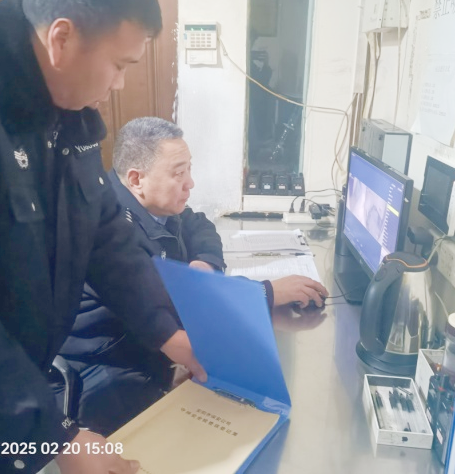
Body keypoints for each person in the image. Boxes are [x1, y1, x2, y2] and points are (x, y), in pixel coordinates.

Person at [0, 0, 204, 473]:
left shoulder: (70, 111)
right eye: (119, 65)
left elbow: (107, 240)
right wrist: (55, 439)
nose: (120, 84)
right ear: (61, 39)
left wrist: (170, 333)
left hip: (19, 392)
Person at [58, 116, 329, 434]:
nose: (191, 183)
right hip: (109, 369)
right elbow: (170, 302)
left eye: (189, 170)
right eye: (179, 173)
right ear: (136, 179)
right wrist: (266, 293)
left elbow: (200, 224)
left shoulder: (156, 207)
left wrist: (206, 263)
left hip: (155, 351)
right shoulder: (113, 228)